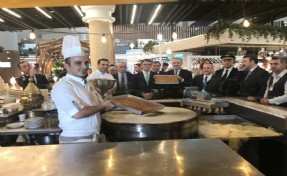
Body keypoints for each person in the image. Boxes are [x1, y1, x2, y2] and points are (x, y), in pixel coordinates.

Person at [51, 35, 114, 143]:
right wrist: (103, 105)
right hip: (76, 140)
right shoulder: (62, 85)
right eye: (78, 63)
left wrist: (117, 105)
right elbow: (77, 113)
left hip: (95, 136)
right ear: (66, 65)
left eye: (86, 63)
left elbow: (100, 106)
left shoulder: (87, 84)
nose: (84, 67)